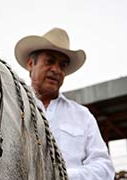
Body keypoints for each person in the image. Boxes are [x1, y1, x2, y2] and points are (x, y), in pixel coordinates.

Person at [14, 27, 115, 180]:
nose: (56, 69)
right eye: (50, 61)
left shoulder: (82, 115)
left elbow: (104, 167)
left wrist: (61, 176)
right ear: (30, 64)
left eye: (63, 65)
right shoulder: (12, 107)